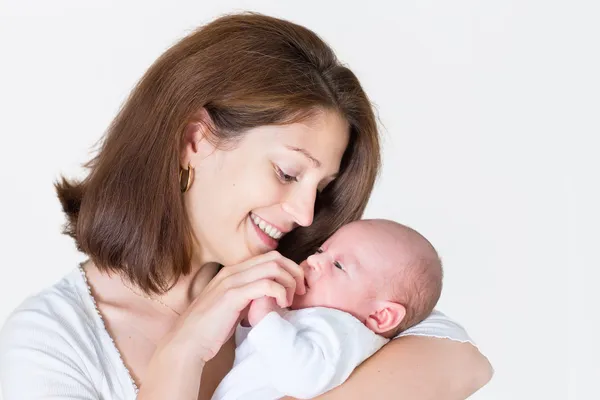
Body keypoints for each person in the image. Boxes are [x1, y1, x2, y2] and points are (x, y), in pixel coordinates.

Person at [0, 12, 492, 400]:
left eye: (319, 188)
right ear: (196, 140)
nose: (304, 214)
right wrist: (182, 351)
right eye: (287, 172)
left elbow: (462, 362)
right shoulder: (52, 339)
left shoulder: (307, 287)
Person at [211, 219, 444, 400]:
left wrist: (265, 318)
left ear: (380, 316)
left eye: (338, 265)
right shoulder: (317, 319)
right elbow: (257, 356)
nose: (314, 260)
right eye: (321, 251)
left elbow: (301, 378)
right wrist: (251, 323)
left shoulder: (343, 331)